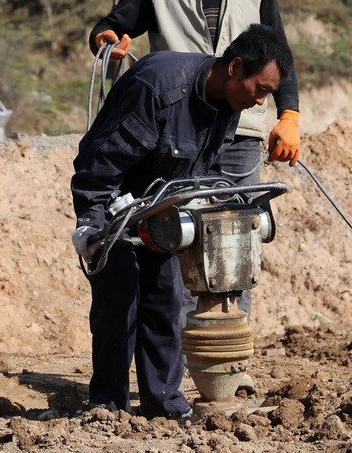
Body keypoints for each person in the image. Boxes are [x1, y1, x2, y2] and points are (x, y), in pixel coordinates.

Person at [88, 0, 300, 318]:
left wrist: (289, 114)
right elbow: (112, 26)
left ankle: (228, 350)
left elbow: (278, 53)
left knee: (237, 240)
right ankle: (178, 352)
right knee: (179, 237)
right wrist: (107, 41)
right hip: (176, 135)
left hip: (239, 133)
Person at [71, 24, 293, 419]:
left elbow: (196, 170)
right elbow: (102, 160)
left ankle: (164, 405)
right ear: (235, 67)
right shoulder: (159, 88)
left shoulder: (227, 106)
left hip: (163, 207)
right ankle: (107, 407)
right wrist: (92, 218)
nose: (261, 102)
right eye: (260, 89)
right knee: (119, 300)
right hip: (115, 202)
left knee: (165, 301)